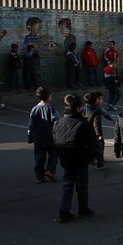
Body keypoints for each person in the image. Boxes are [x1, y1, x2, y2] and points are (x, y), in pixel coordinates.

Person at [53, 94, 97, 223]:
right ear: (79, 108)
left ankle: (64, 210)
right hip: (80, 158)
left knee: (67, 184)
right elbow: (91, 143)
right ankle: (83, 208)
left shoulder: (59, 122)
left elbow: (55, 140)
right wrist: (93, 157)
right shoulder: (82, 123)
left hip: (66, 158)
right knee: (81, 186)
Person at [27, 86, 59, 183]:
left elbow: (30, 125)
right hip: (50, 137)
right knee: (54, 153)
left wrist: (30, 137)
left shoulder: (34, 109)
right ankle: (50, 170)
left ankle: (39, 175)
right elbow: (57, 121)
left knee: (39, 157)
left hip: (38, 138)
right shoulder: (50, 109)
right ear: (49, 96)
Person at [83, 91, 115, 170]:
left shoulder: (84, 108)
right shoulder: (97, 110)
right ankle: (100, 163)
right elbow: (96, 124)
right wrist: (99, 134)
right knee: (99, 146)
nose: (102, 101)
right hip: (93, 132)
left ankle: (91, 159)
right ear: (95, 100)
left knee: (88, 146)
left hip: (84, 131)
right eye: (100, 99)